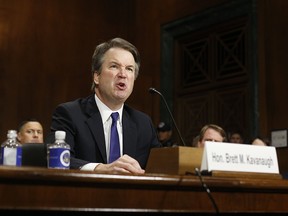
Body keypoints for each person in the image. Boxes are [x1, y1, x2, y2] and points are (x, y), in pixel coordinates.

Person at [45, 37, 161, 174]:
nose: (123, 74)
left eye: (129, 69)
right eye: (114, 66)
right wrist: (101, 168)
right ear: (97, 76)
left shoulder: (143, 123)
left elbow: (161, 166)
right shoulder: (69, 114)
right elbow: (57, 160)